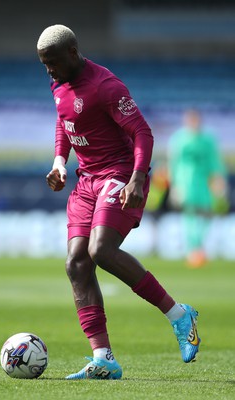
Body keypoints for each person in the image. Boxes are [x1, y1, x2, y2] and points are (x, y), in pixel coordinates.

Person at [36, 24, 201, 380]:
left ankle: (179, 314)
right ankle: (103, 358)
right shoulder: (58, 83)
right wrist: (59, 163)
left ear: (73, 54)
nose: (48, 70)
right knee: (76, 264)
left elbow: (142, 131)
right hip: (86, 180)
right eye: (43, 64)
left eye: (51, 62)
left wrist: (138, 179)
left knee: (101, 250)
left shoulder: (106, 87)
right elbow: (64, 121)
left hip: (119, 173)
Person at [168, 109, 227, 268]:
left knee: (207, 213)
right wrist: (174, 185)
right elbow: (174, 162)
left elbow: (214, 161)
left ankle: (198, 246)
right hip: (185, 183)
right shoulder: (179, 139)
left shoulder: (208, 139)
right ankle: (193, 250)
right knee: (190, 214)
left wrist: (218, 179)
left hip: (204, 182)